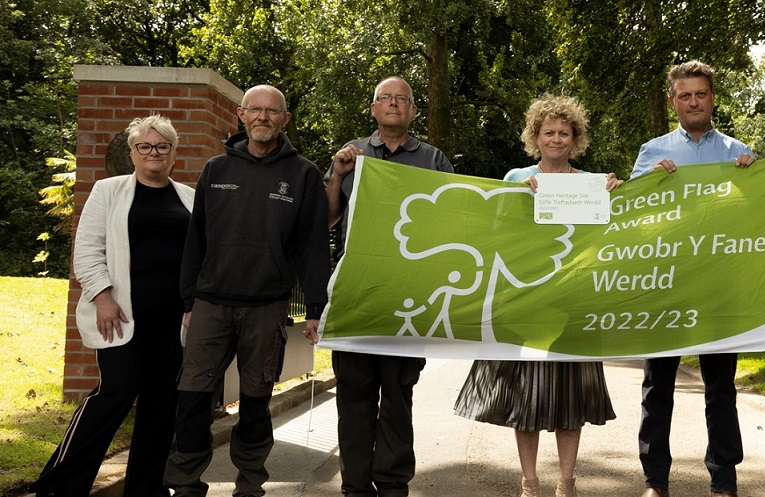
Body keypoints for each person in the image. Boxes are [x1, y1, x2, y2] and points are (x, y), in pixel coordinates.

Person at [165, 85, 330, 497]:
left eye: (272, 111)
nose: (263, 117)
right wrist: (189, 300)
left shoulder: (303, 174)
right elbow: (195, 241)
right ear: (241, 115)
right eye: (255, 110)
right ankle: (184, 484)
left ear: (284, 120)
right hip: (210, 305)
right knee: (192, 399)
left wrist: (315, 307)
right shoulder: (215, 170)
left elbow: (312, 245)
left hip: (266, 307)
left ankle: (250, 486)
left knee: (256, 404)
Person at [453, 94, 622, 497]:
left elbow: (608, 239)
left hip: (573, 304)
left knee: (571, 398)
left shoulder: (593, 184)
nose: (557, 139)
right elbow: (494, 235)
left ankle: (567, 482)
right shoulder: (515, 178)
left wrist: (617, 197)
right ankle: (529, 482)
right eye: (549, 132)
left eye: (565, 133)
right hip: (524, 303)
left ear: (576, 138)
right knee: (524, 400)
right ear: (536, 136)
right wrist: (517, 203)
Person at [29, 115, 194, 497]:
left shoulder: (190, 197)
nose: (154, 153)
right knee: (115, 392)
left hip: (174, 322)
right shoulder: (108, 191)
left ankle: (146, 489)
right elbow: (86, 251)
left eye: (162, 146)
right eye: (145, 147)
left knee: (161, 405)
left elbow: (202, 257)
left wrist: (195, 303)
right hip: (121, 318)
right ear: (133, 153)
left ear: (173, 153)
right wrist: (102, 297)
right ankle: (60, 485)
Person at [324, 75, 453, 497]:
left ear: (414, 111)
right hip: (358, 295)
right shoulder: (351, 155)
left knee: (398, 397)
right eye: (386, 98)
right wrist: (336, 175)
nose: (394, 104)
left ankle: (394, 485)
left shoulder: (434, 160)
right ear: (374, 109)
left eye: (403, 99)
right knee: (354, 398)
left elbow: (455, 222)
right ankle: (355, 487)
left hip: (409, 300)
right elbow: (326, 221)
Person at [630, 60, 754, 497]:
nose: (694, 101)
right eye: (685, 95)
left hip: (719, 287)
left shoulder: (740, 154)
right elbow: (632, 218)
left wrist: (750, 180)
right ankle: (654, 481)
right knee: (657, 386)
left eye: (701, 94)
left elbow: (755, 217)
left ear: (712, 98)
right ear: (673, 102)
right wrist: (646, 183)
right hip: (665, 284)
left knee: (720, 389)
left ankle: (724, 480)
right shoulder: (651, 152)